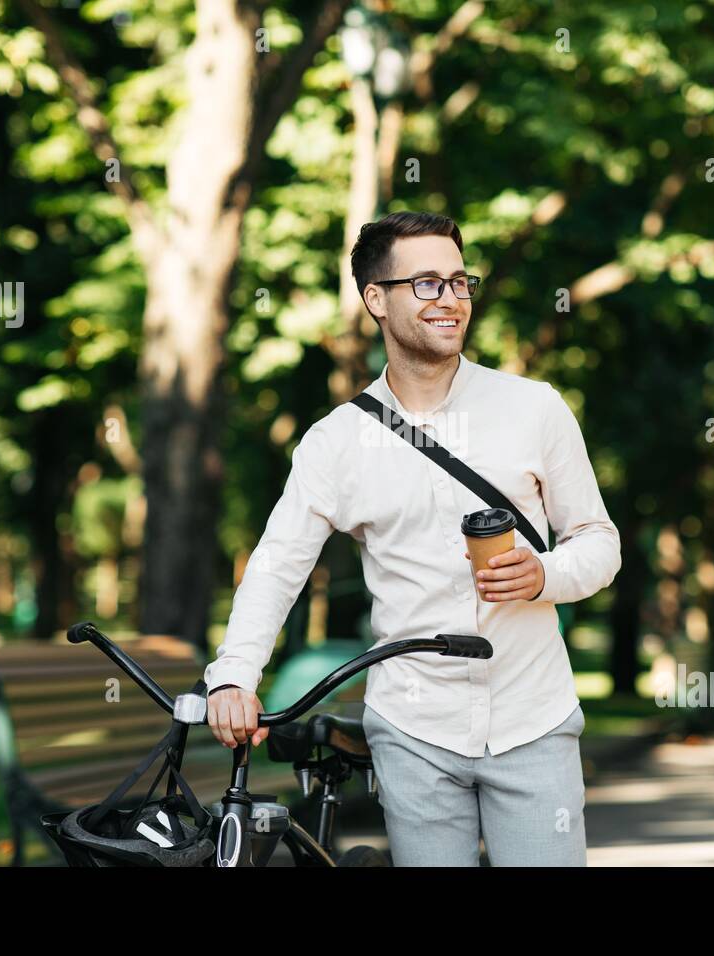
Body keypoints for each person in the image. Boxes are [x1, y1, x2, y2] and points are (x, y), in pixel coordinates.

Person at [203, 211, 621, 866]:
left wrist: (546, 575)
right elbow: (278, 566)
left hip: (533, 717)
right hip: (412, 730)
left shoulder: (533, 408)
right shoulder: (336, 441)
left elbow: (598, 541)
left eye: (460, 281)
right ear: (377, 299)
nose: (451, 298)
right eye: (426, 284)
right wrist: (233, 677)